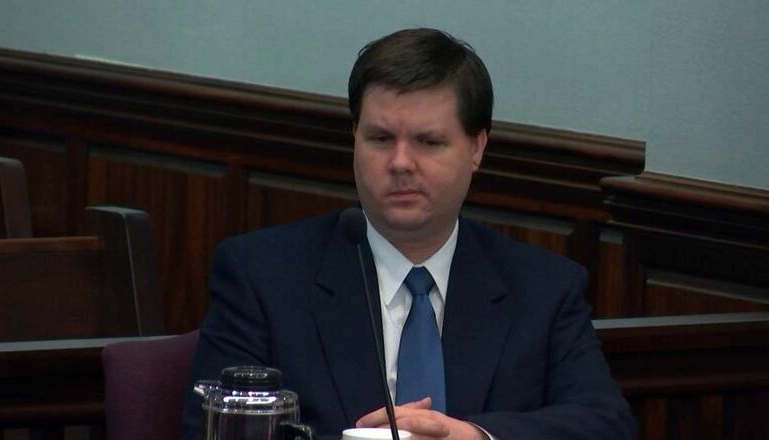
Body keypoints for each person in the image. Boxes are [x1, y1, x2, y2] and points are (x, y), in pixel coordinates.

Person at [181, 28, 636, 440]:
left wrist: (476, 437)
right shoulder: (261, 276)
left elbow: (605, 424)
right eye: (379, 139)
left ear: (476, 148)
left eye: (428, 142)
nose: (400, 162)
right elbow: (213, 430)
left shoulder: (543, 288)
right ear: (354, 138)